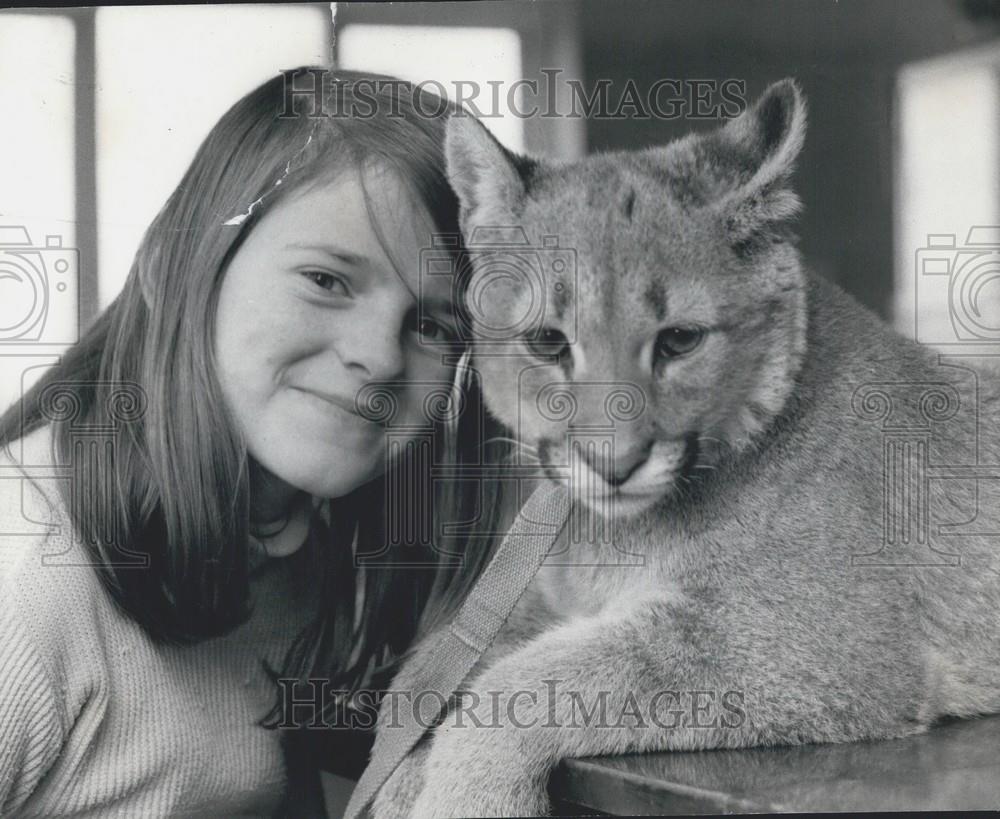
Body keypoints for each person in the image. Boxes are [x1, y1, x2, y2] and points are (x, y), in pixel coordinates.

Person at [0, 68, 500, 817]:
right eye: (327, 280)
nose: (382, 356)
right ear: (178, 266)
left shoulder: (289, 535)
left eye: (432, 326)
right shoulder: (24, 581)